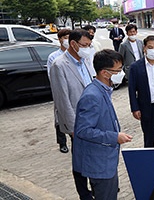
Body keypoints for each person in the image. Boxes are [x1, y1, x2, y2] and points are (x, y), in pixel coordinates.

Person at [73, 49, 132, 200]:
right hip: (99, 164)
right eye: (118, 70)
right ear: (105, 73)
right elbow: (83, 130)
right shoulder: (93, 95)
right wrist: (114, 137)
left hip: (106, 161)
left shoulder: (103, 90)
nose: (121, 73)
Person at [50, 29, 94, 199]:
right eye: (84, 45)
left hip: (92, 118)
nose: (87, 49)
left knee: (92, 157)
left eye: (89, 45)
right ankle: (84, 193)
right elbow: (62, 100)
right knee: (80, 161)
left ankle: (96, 186)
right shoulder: (59, 65)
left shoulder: (84, 60)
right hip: (78, 123)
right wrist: (73, 128)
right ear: (74, 44)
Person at [47, 28, 71, 154]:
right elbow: (52, 76)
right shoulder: (53, 57)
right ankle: (62, 142)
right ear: (60, 39)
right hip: (60, 91)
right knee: (60, 117)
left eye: (69, 37)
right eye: (64, 37)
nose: (66, 40)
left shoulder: (76, 55)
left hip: (73, 90)